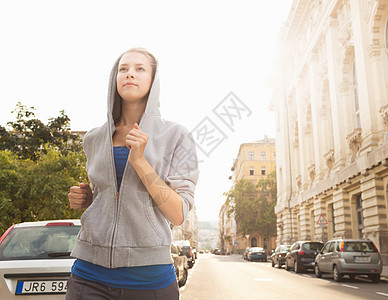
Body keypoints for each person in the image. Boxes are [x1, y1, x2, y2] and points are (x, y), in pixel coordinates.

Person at [66, 48, 199, 300]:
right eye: (123, 69)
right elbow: (112, 199)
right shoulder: (93, 138)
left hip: (148, 279)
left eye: (140, 69)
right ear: (114, 79)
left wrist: (139, 160)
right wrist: (88, 200)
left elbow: (178, 212)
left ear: (153, 81)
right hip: (88, 274)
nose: (130, 74)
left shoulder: (176, 136)